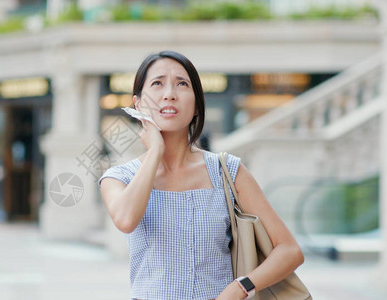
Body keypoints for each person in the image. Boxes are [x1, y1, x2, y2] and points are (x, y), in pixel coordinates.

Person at [98, 51, 304, 300]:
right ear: (139, 104)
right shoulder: (119, 177)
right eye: (157, 83)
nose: (170, 93)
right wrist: (155, 152)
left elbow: (290, 250)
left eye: (182, 84)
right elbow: (126, 219)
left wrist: (239, 288)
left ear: (196, 105)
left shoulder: (227, 171)